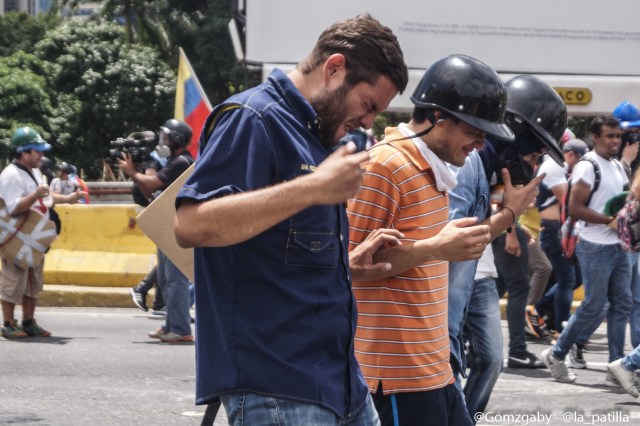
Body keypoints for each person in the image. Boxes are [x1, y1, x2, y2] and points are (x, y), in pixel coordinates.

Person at [174, 14, 409, 425]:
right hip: (278, 388)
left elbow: (279, 253)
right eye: (368, 105)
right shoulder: (254, 118)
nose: (370, 122)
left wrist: (344, 265)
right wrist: (313, 188)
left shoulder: (316, 134)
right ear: (334, 69)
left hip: (339, 383)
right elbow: (192, 224)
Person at [347, 54, 512, 426]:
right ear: (439, 118)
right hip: (396, 378)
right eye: (474, 130)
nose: (481, 143)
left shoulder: (433, 170)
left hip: (435, 371)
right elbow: (349, 268)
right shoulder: (384, 166)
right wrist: (435, 248)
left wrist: (508, 214)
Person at [447, 75, 566, 421]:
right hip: (441, 306)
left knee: (488, 361)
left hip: (465, 291)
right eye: (535, 150)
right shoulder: (471, 165)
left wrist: (509, 208)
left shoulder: (487, 165)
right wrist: (511, 214)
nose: (533, 162)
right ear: (515, 128)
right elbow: (453, 246)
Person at [542, 115, 631, 384]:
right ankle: (556, 354)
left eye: (617, 136)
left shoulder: (617, 165)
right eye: (609, 136)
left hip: (618, 246)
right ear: (595, 137)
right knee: (593, 305)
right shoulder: (587, 166)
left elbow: (618, 203)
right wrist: (609, 222)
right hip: (594, 246)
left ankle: (617, 368)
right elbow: (573, 208)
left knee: (622, 304)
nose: (615, 141)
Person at [119, 119, 194, 343]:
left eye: (167, 138)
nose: (163, 142)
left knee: (175, 280)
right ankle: (170, 324)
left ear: (177, 140)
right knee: (164, 278)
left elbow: (151, 184)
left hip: (176, 225)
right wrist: (143, 168)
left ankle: (180, 329)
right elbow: (150, 192)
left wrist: (132, 172)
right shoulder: (172, 162)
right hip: (167, 223)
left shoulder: (182, 161)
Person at [0, 127, 54, 338]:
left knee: (33, 281)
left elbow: (42, 199)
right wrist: (35, 195)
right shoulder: (10, 176)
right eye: (37, 150)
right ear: (24, 152)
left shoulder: (35, 172)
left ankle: (29, 321)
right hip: (16, 237)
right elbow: (13, 208)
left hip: (33, 236)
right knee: (14, 280)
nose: (41, 154)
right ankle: (7, 323)